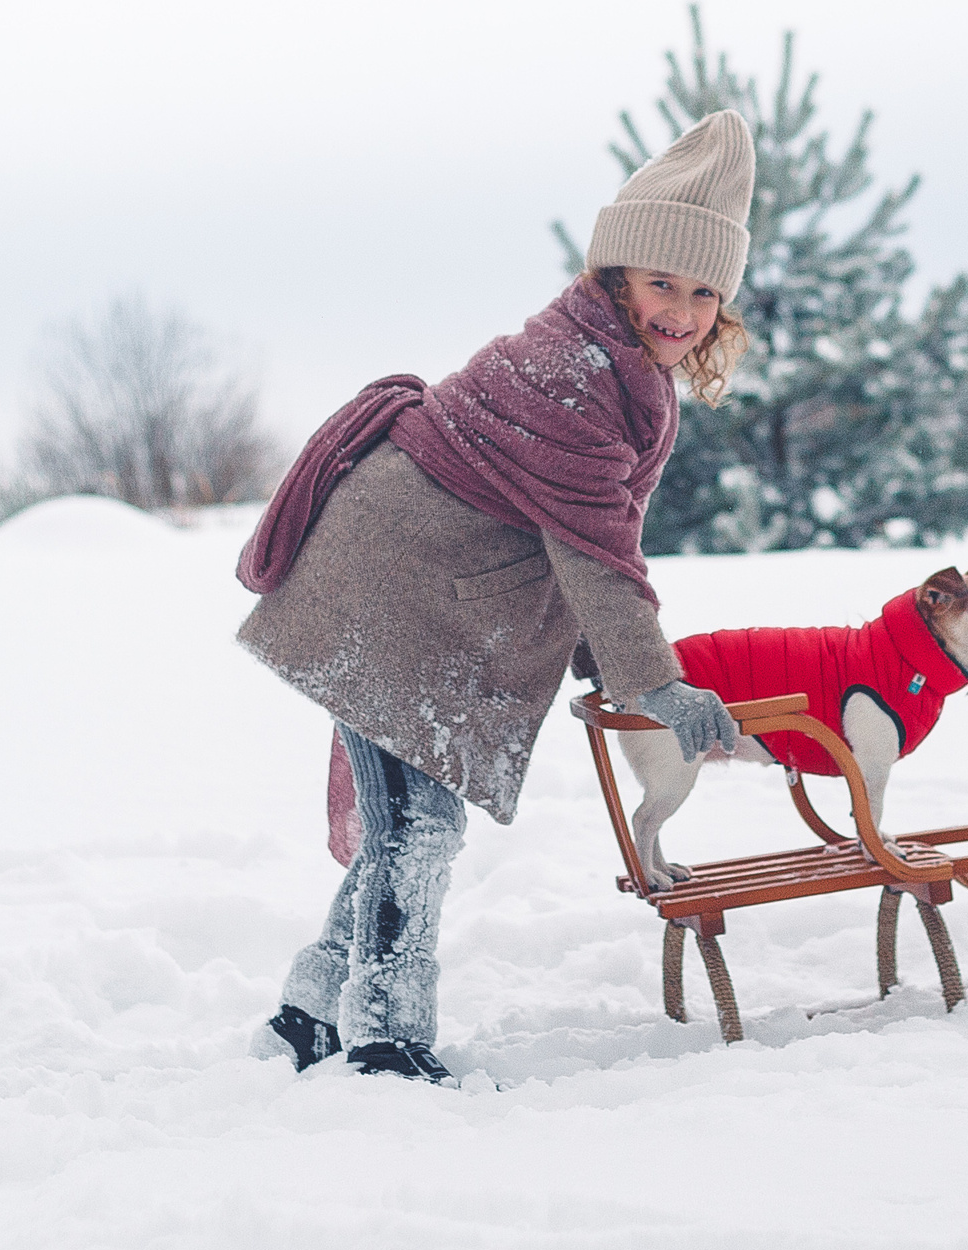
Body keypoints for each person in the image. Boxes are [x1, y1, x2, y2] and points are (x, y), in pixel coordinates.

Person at [232, 110, 756, 1083]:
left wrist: (618, 667)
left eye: (703, 291)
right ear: (616, 276)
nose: (681, 310)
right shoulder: (573, 371)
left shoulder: (623, 372)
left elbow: (586, 541)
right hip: (386, 595)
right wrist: (652, 683)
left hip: (421, 595)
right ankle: (384, 1038)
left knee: (407, 826)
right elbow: (594, 552)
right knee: (417, 827)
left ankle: (310, 1016)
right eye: (662, 282)